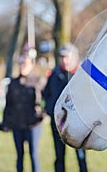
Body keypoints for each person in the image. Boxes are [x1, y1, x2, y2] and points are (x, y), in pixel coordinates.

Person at [43, 43, 88, 172]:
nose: (64, 60)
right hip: (58, 122)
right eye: (62, 57)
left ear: (75, 57)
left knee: (81, 156)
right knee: (59, 156)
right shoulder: (54, 74)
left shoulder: (82, 75)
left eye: (67, 57)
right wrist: (49, 109)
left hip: (78, 123)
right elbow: (46, 94)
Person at [3, 50, 46, 172]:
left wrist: (43, 114)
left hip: (34, 124)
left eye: (25, 63)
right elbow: (8, 105)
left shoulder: (39, 81)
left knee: (33, 153)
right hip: (17, 124)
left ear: (31, 64)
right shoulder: (13, 83)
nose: (22, 66)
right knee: (19, 154)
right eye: (20, 63)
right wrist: (6, 123)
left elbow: (48, 99)